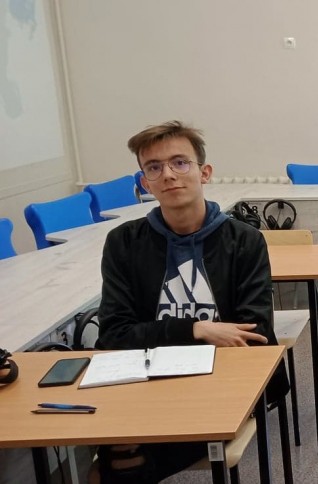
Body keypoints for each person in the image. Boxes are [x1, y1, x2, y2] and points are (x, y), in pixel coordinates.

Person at [93, 121, 287, 483]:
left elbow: (254, 334)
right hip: (149, 381)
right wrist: (197, 329)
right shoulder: (123, 243)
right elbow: (114, 335)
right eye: (154, 167)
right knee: (118, 448)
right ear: (145, 183)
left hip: (222, 380)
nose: (168, 175)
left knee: (128, 456)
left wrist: (158, 336)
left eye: (180, 162)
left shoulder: (244, 241)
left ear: (204, 172)